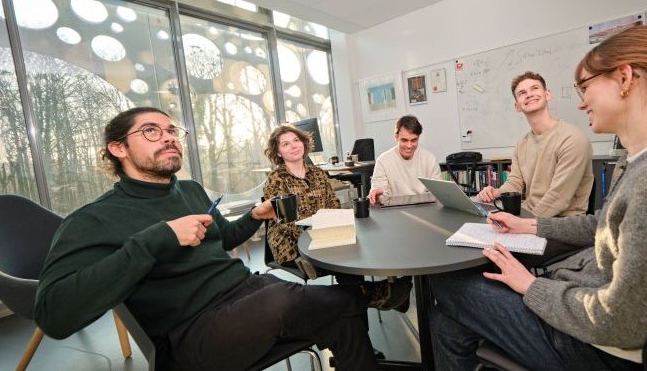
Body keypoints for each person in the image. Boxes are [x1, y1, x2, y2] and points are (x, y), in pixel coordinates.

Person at [429, 20, 647, 370]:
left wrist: (530, 286)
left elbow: (619, 323)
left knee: (446, 284)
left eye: (585, 87)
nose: (582, 104)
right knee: (447, 324)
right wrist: (530, 226)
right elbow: (604, 224)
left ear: (625, 79)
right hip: (582, 298)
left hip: (592, 346)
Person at [34, 107, 380, 370]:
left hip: (244, 297)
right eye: (151, 131)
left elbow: (224, 239)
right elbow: (54, 316)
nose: (168, 137)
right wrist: (155, 240)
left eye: (171, 130)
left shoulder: (189, 190)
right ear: (118, 148)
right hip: (191, 333)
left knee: (341, 306)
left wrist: (253, 216)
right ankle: (372, 296)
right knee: (296, 299)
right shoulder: (93, 219)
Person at [263, 123, 411, 310]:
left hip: (325, 234)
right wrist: (316, 235)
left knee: (350, 251)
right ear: (278, 153)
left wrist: (330, 229)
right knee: (343, 257)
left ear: (303, 143)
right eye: (285, 144)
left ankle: (370, 300)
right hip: (290, 242)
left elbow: (333, 204)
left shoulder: (318, 173)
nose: (293, 145)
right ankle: (381, 294)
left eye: (296, 140)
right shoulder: (276, 179)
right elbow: (284, 221)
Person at [475, 71, 594, 218]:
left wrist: (521, 224)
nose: (529, 94)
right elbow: (515, 183)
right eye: (522, 92)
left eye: (535, 88)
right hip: (529, 214)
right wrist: (496, 192)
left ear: (547, 95)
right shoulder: (522, 144)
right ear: (517, 106)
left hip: (561, 223)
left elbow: (558, 198)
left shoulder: (572, 139)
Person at [367, 115, 441, 205]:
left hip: (425, 209)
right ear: (396, 137)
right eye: (404, 140)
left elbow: (438, 194)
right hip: (395, 211)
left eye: (414, 140)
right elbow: (378, 191)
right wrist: (377, 195)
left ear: (418, 138)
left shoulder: (430, 159)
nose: (409, 146)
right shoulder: (383, 161)